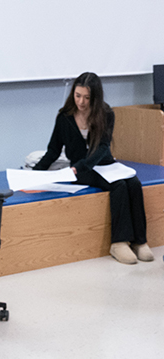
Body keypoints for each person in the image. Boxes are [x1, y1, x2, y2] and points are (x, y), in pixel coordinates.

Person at [33, 72, 153, 265]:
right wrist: (35, 174)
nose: (81, 101)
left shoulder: (106, 113)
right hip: (80, 171)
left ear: (95, 97)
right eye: (78, 95)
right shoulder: (64, 117)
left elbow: (103, 147)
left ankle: (140, 241)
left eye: (87, 97)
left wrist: (82, 166)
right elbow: (53, 150)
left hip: (104, 165)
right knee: (119, 186)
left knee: (133, 182)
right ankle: (119, 242)